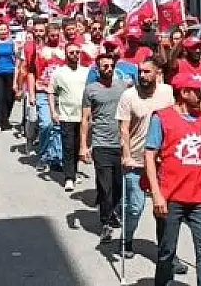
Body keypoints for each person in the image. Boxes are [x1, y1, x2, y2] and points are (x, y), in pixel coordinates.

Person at [145, 73, 201, 286]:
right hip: (171, 196)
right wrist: (157, 194)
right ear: (184, 93)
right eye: (197, 91)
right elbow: (150, 156)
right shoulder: (160, 118)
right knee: (167, 250)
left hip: (200, 196)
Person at [116, 57, 183, 274]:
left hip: (161, 160)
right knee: (135, 207)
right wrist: (125, 156)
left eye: (147, 72)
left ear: (157, 73)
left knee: (164, 210)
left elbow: (174, 121)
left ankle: (168, 255)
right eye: (140, 72)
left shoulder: (166, 93)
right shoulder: (128, 96)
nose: (142, 76)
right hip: (135, 158)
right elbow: (124, 129)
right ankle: (126, 239)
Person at [81, 52, 128, 241]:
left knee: (118, 186)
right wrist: (83, 146)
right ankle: (106, 222)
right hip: (101, 143)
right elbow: (85, 119)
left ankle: (112, 212)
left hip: (120, 144)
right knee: (105, 186)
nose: (108, 69)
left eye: (110, 66)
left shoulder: (123, 88)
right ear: (97, 69)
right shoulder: (90, 90)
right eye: (104, 66)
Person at [52, 42, 90, 191]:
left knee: (77, 146)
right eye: (71, 53)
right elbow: (52, 92)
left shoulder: (86, 72)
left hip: (83, 116)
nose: (74, 55)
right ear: (66, 55)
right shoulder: (59, 72)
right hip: (66, 115)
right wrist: (54, 111)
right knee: (68, 146)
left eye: (76, 52)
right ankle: (69, 177)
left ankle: (73, 171)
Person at [31, 23, 66, 173]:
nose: (54, 37)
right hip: (43, 91)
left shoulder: (65, 50)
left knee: (58, 125)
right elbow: (31, 72)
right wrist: (31, 94)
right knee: (46, 124)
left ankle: (56, 157)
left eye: (57, 35)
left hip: (60, 92)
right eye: (51, 35)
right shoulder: (39, 51)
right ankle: (44, 154)